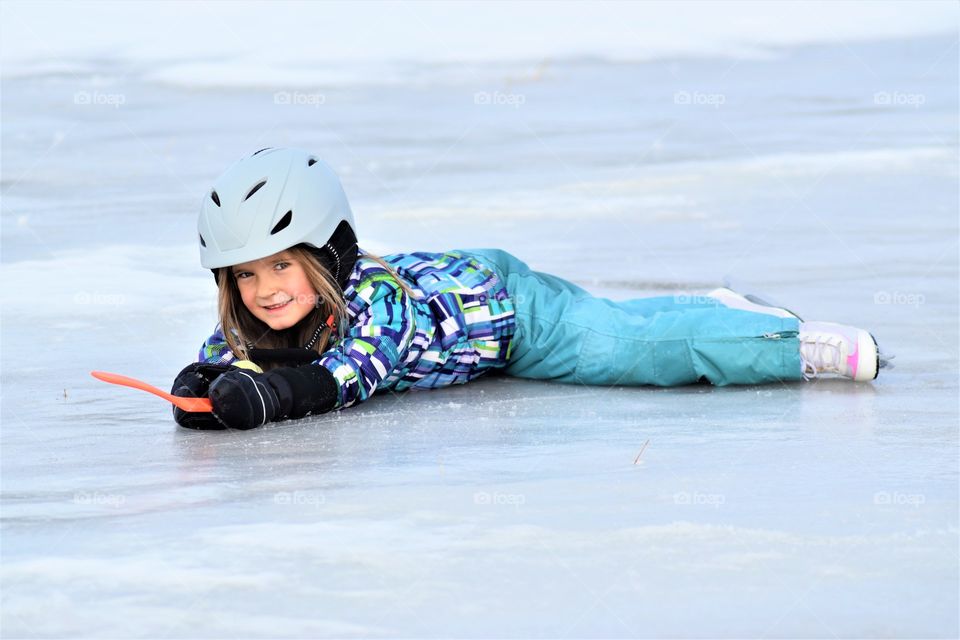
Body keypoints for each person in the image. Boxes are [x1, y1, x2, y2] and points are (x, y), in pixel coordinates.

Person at [171, 147, 884, 430]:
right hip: (459, 291)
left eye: (282, 265)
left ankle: (790, 345)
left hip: (510, 313)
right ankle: (719, 308)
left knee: (624, 348)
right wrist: (203, 387)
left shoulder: (378, 297)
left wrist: (278, 394)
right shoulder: (260, 310)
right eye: (245, 275)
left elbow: (359, 371)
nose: (264, 290)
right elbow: (230, 355)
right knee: (623, 322)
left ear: (326, 255)